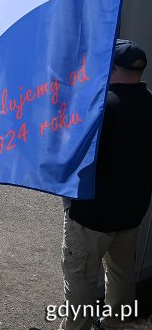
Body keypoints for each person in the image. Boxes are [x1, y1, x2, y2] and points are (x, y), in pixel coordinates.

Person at [59, 40, 152, 330]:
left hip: (92, 216)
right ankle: (114, 325)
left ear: (112, 66)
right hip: (132, 213)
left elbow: (71, 158)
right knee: (122, 275)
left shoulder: (101, 108)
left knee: (81, 282)